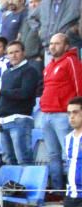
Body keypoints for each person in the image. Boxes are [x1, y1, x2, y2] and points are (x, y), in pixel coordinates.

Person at [40, 33, 82, 197]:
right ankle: (58, 192)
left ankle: (74, 190)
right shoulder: (49, 65)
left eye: (57, 44)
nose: (53, 47)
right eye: (51, 44)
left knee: (69, 153)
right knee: (53, 155)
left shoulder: (71, 61)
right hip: (47, 114)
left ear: (66, 46)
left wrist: (78, 111)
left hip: (63, 115)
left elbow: (79, 86)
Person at [0, 40, 39, 166]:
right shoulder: (6, 73)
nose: (13, 55)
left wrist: (2, 92)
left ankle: (26, 185)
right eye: (10, 53)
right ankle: (13, 186)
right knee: (9, 161)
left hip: (20, 120)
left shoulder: (30, 70)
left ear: (23, 53)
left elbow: (25, 93)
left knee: (23, 159)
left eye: (16, 52)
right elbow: (1, 97)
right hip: (4, 121)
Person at [62, 96, 82, 207]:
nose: (71, 117)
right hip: (70, 197)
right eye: (69, 113)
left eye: (75, 112)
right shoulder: (68, 138)